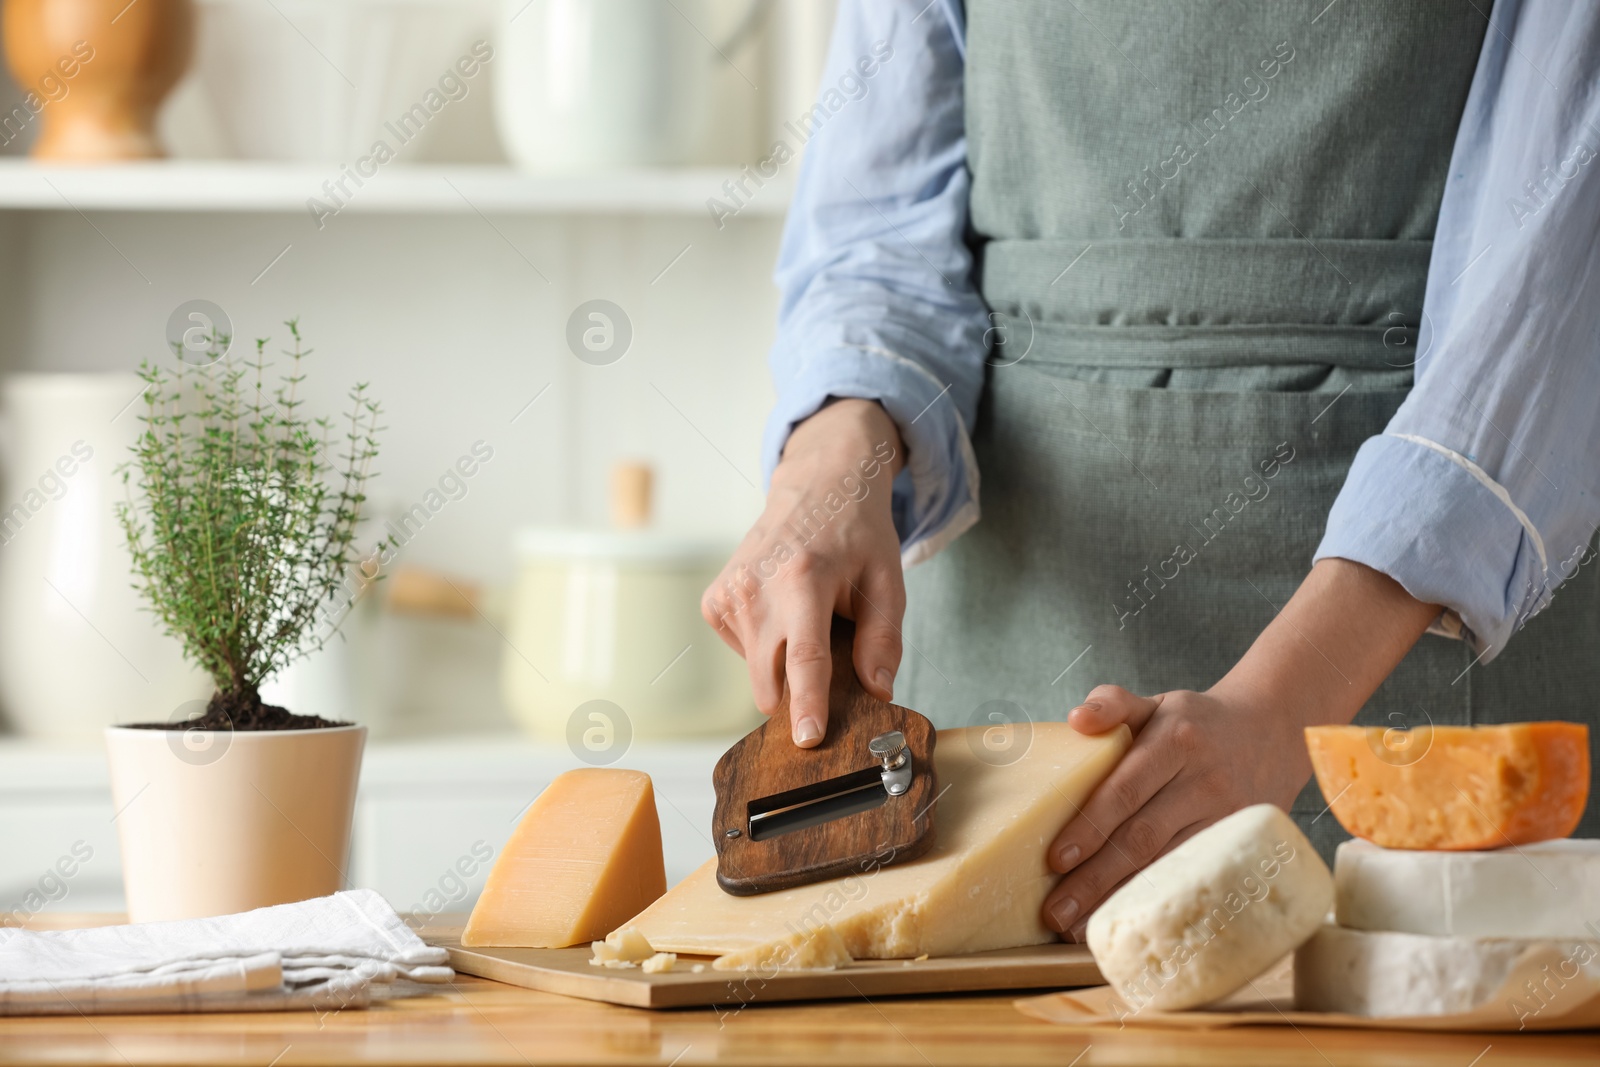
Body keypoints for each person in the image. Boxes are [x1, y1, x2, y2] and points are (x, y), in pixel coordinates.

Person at [701, 0, 1600, 942]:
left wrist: (1283, 709)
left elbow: (1558, 269)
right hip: (1012, 662)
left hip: (1408, 691)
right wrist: (832, 460)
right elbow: (876, 230)